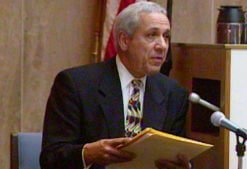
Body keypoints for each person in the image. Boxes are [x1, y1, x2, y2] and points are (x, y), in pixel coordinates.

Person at [40, 2, 190, 169]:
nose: (162, 45)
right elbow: (51, 159)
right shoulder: (76, 84)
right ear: (124, 40)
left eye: (166, 36)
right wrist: (88, 154)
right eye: (151, 35)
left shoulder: (174, 93)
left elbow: (177, 154)